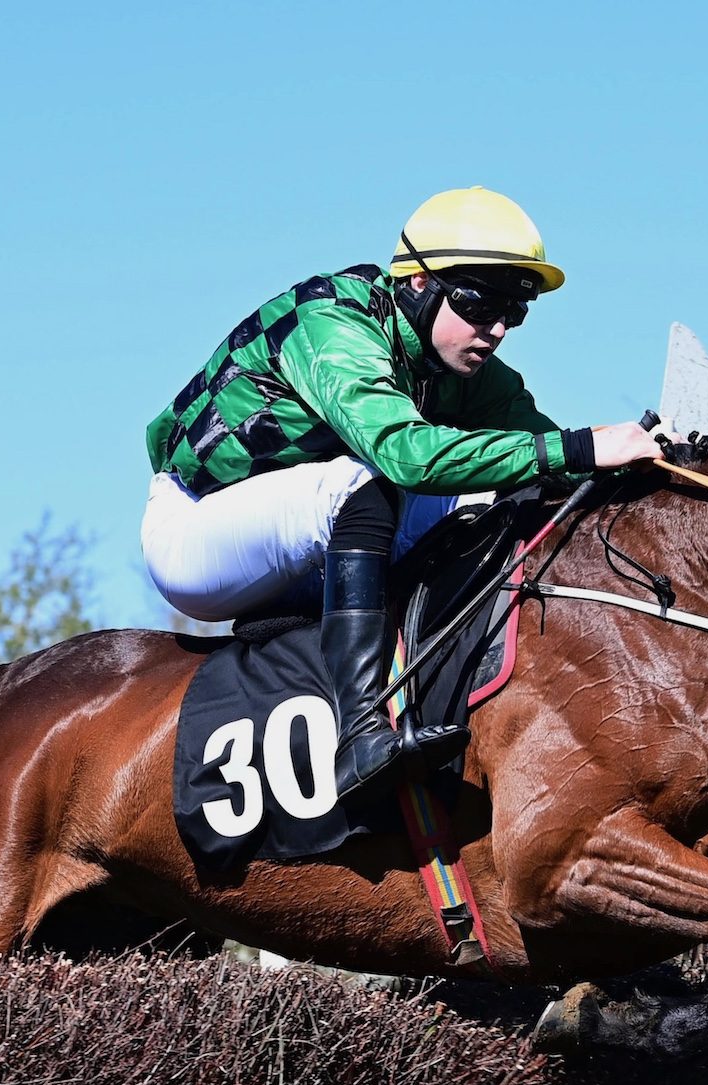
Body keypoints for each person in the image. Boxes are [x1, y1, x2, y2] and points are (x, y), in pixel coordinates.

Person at [140, 187, 666, 805]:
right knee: (362, 484)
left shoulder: (473, 376)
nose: (496, 330)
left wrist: (665, 467)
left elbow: (550, 462)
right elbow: (406, 455)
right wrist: (577, 450)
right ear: (417, 282)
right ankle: (360, 736)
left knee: (503, 501)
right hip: (198, 534)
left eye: (514, 314)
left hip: (313, 549)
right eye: (479, 304)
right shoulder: (332, 325)